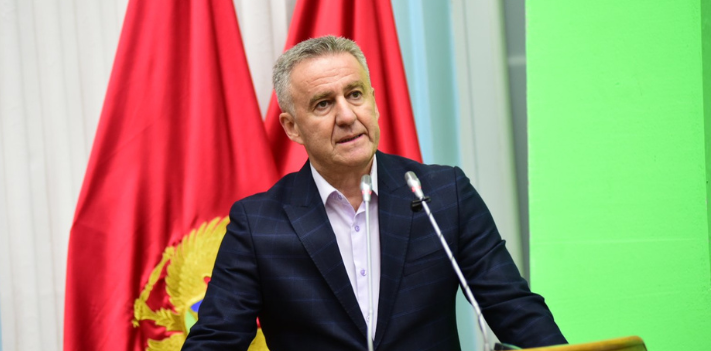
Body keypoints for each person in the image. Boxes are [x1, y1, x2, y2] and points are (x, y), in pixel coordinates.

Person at [183, 36, 566, 351]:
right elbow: (217, 339)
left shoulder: (443, 195)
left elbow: (511, 306)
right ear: (292, 127)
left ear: (374, 102)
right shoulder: (258, 224)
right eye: (323, 104)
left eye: (355, 94)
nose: (347, 116)